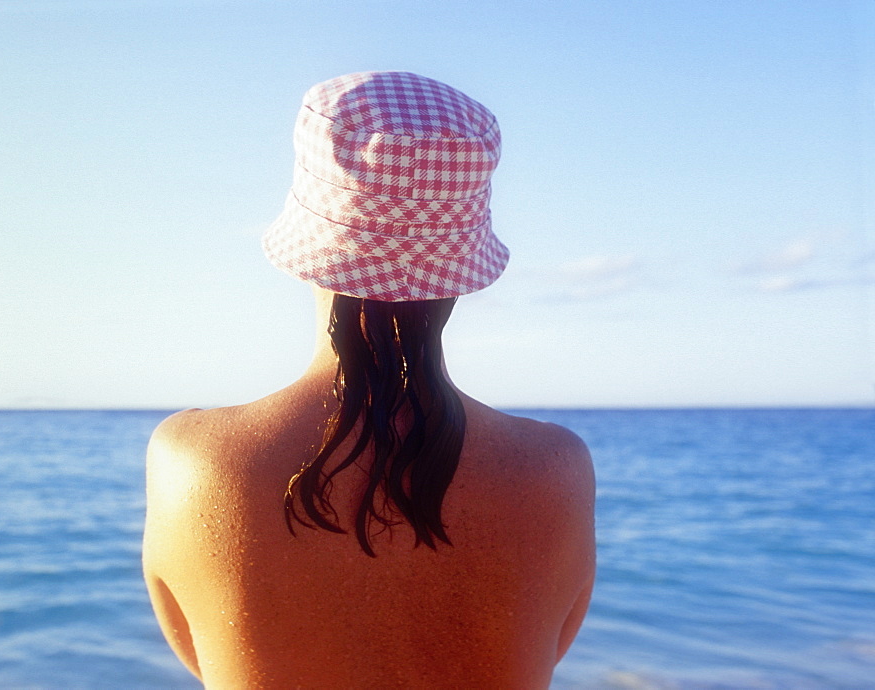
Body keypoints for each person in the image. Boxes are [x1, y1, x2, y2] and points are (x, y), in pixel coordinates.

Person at [143, 71, 595, 689]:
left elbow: (197, 649)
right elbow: (550, 647)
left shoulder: (194, 459)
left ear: (310, 250)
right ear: (461, 271)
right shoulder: (555, 470)